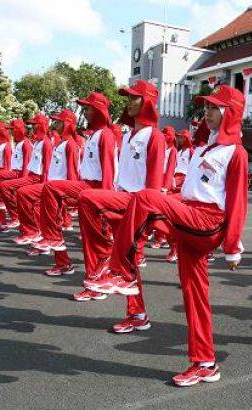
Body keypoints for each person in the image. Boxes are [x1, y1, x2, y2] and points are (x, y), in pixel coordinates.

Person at [87, 84, 248, 387]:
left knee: (146, 198)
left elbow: (237, 199)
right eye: (207, 107)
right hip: (188, 218)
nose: (208, 113)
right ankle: (205, 362)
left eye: (215, 108)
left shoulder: (235, 152)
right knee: (194, 295)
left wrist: (232, 247)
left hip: (207, 222)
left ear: (231, 113)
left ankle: (121, 271)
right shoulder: (203, 148)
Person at [71, 79, 165, 308]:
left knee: (87, 199)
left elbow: (153, 186)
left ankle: (103, 260)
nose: (129, 102)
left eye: (135, 97)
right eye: (128, 98)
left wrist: (145, 223)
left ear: (148, 102)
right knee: (127, 267)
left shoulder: (155, 137)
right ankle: (137, 315)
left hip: (137, 204)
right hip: (121, 198)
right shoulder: (130, 135)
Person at [32, 92, 118, 278]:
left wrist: (104, 201)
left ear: (98, 111)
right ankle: (64, 257)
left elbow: (109, 171)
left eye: (87, 109)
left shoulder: (106, 135)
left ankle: (99, 279)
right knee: (88, 237)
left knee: (95, 240)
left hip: (96, 191)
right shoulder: (93, 136)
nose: (84, 112)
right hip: (84, 186)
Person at [13, 109, 80, 245]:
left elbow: (72, 172)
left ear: (67, 125)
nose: (56, 125)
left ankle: (36, 232)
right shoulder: (59, 143)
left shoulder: (69, 145)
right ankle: (57, 255)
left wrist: (70, 196)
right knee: (46, 214)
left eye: (59, 123)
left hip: (59, 187)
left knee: (27, 196)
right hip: (50, 185)